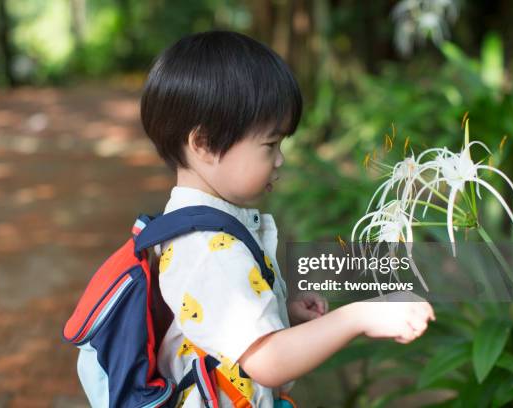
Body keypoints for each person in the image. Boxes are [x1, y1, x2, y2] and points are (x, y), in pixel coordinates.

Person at [140, 30, 435, 407]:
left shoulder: (203, 227)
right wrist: (359, 316)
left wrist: (278, 310)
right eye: (270, 144)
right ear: (205, 144)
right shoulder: (207, 249)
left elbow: (226, 330)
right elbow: (268, 361)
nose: (279, 159)